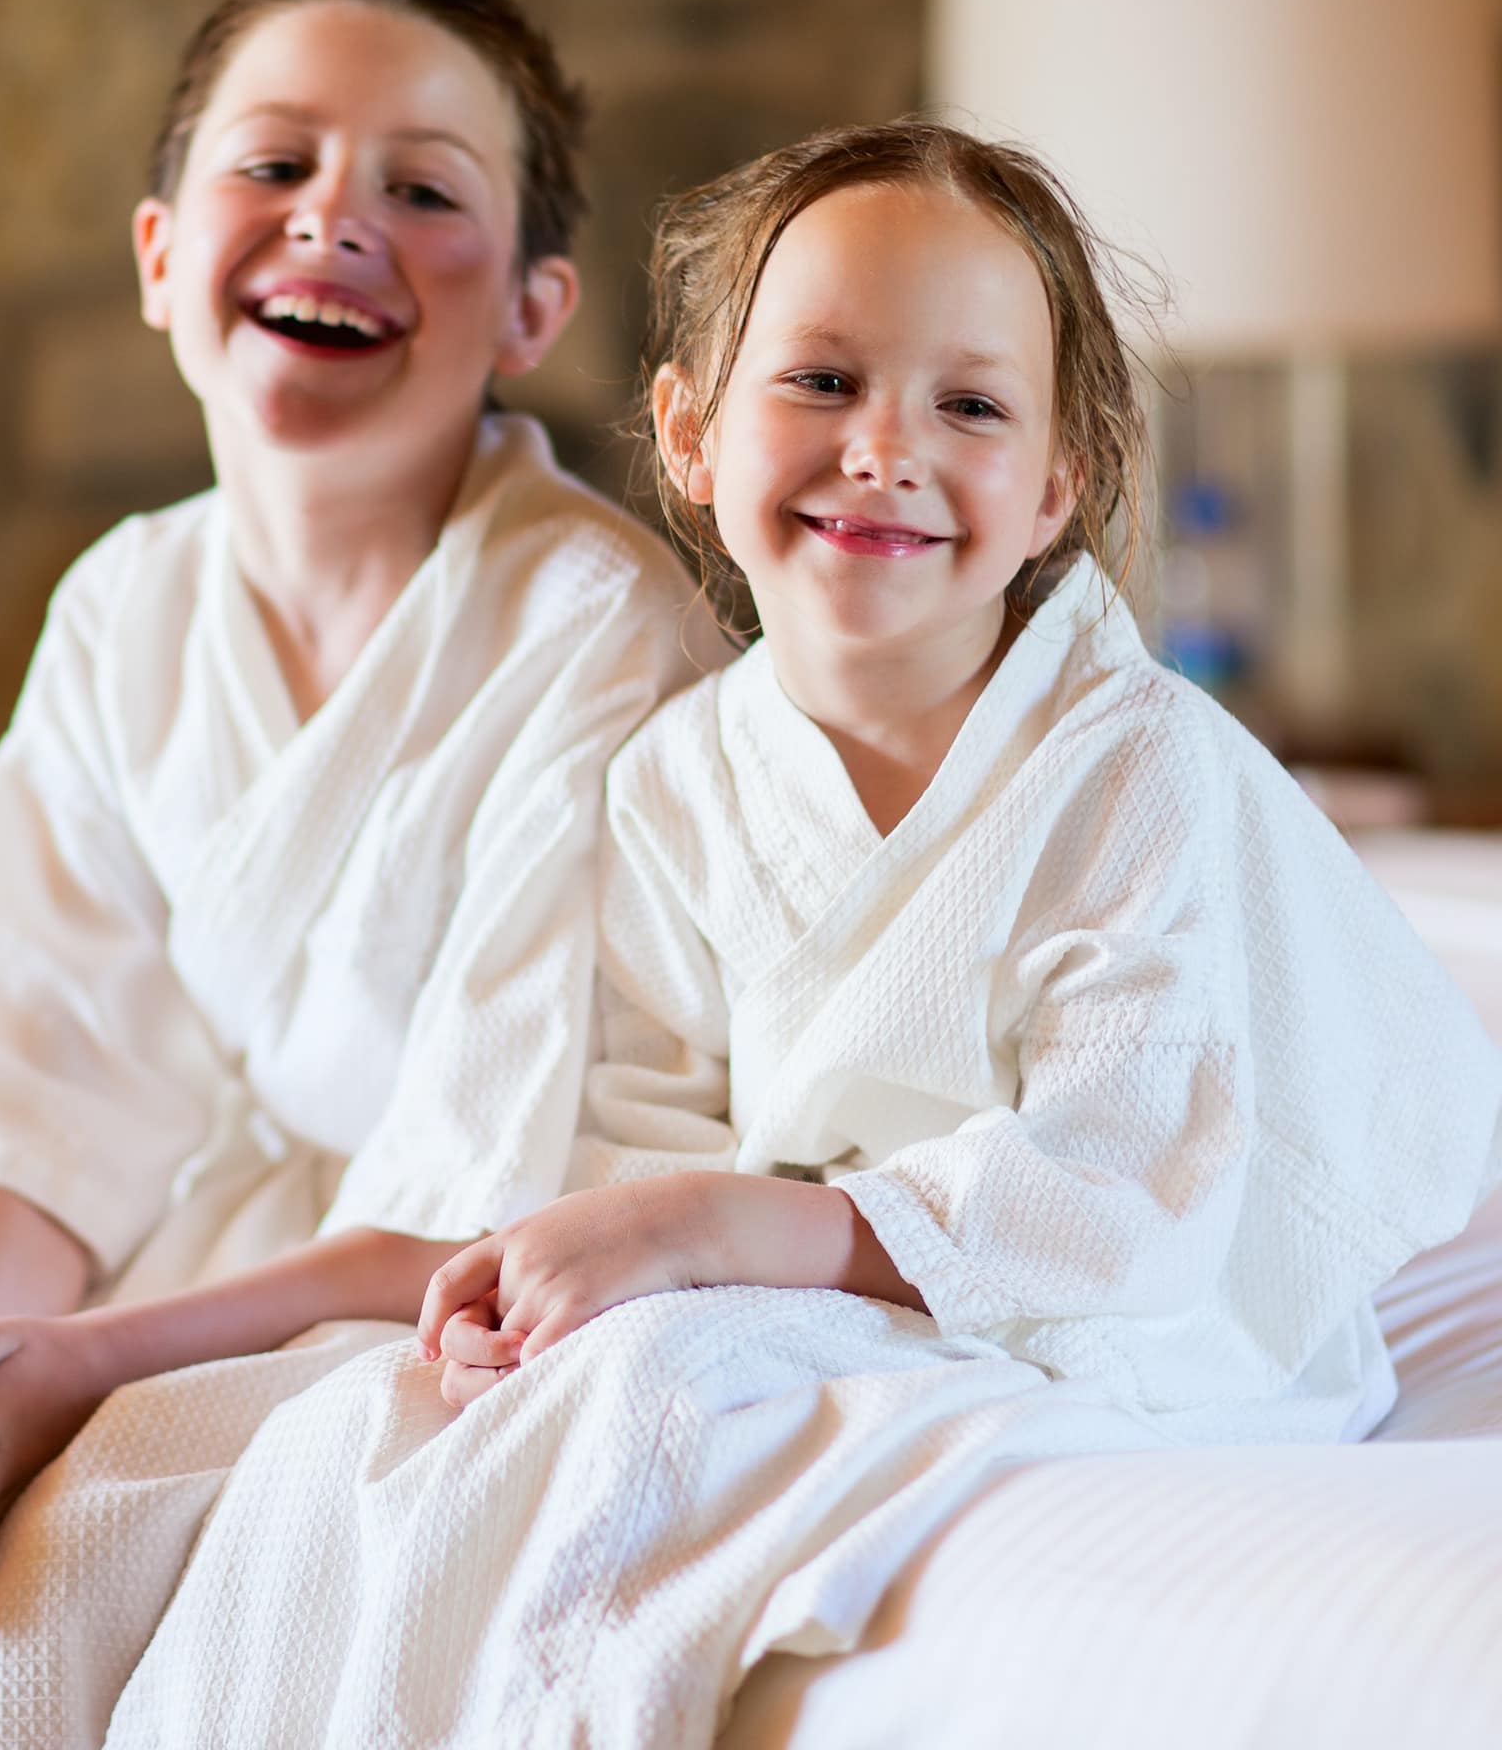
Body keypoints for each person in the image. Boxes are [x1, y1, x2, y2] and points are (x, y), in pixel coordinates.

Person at [104, 121, 1502, 1748]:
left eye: (968, 406)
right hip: (818, 1275)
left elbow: (1127, 1175)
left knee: (651, 1407)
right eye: (823, 383)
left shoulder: (1135, 766)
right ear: (691, 433)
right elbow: (646, 1134)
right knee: (371, 1436)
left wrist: (730, 1240)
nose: (885, 450)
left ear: (1056, 486)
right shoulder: (680, 780)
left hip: (1156, 1315)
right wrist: (574, 1285)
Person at [0, 0, 712, 1750]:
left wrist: (88, 1377)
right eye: (272, 165)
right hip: (192, 1263)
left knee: (56, 1577)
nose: (332, 219)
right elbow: (38, 1063)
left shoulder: (597, 631)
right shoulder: (132, 605)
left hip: (429, 1301)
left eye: (423, 190)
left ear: (530, 308)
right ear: (156, 254)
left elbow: (483, 1191)